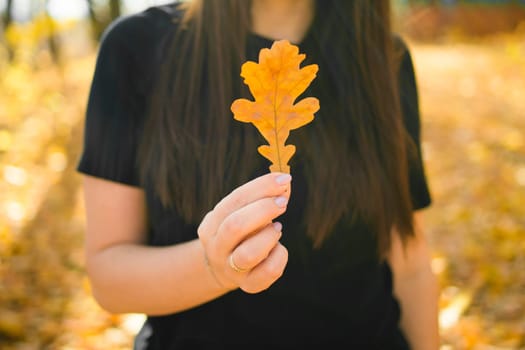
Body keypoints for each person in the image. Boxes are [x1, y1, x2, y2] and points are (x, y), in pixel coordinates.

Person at [77, 0, 439, 348]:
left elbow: (410, 267)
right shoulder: (134, 48)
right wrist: (212, 268)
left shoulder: (382, 58)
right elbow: (109, 276)